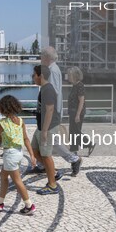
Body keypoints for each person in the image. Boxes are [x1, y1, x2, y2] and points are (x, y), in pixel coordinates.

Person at [0, 95, 37, 215]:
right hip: (18, 152)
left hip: (10, 154)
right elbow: (26, 139)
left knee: (17, 180)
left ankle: (29, 205)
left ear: (2, 108)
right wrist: (32, 155)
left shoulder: (2, 123)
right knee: (3, 175)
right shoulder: (21, 121)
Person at [39, 47, 82, 176]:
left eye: (42, 56)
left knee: (51, 141)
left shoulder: (52, 71)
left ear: (47, 57)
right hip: (51, 112)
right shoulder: (52, 69)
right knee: (42, 140)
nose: (40, 58)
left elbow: (53, 93)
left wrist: (49, 112)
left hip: (52, 113)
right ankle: (41, 164)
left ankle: (74, 159)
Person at [31, 65, 62, 194]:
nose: (33, 77)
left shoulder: (48, 90)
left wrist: (44, 131)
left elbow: (49, 110)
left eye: (34, 75)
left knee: (46, 155)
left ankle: (52, 185)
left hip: (47, 128)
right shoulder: (43, 88)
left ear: (41, 76)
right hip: (41, 126)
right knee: (34, 150)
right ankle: (52, 171)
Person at [67, 66, 94, 157]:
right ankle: (74, 150)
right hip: (72, 112)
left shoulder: (80, 86)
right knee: (73, 132)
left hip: (77, 113)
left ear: (75, 76)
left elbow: (81, 101)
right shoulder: (74, 85)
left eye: (70, 75)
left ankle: (89, 144)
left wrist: (78, 115)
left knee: (76, 132)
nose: (68, 77)